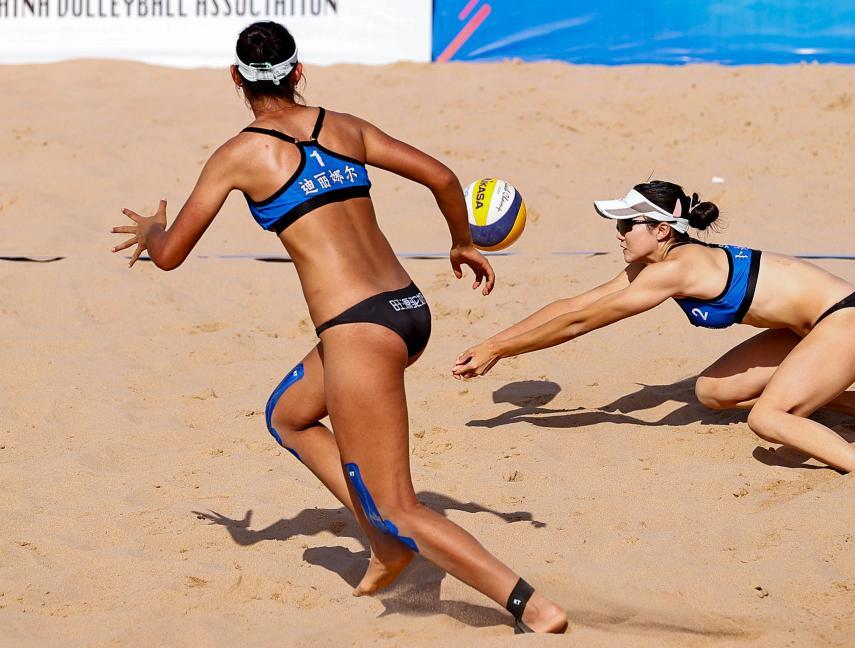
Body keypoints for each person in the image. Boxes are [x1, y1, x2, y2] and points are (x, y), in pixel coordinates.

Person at [111, 21, 566, 634]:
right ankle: (385, 546)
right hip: (407, 309)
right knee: (288, 416)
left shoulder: (238, 155)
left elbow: (169, 255)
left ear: (236, 78)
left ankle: (533, 608)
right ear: (299, 71)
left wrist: (151, 230)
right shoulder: (344, 127)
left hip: (358, 329)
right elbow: (441, 177)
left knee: (399, 504)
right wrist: (462, 241)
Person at [453, 180, 855, 473]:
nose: (618, 232)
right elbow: (574, 305)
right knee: (713, 391)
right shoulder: (657, 263)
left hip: (851, 320)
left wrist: (502, 352)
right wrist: (494, 342)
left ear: (662, 230)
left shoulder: (677, 269)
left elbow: (580, 324)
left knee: (766, 418)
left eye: (627, 223)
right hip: (813, 329)